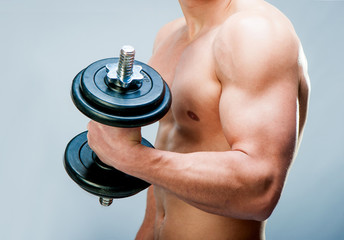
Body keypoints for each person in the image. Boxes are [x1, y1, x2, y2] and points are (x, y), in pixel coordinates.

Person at [86, 0, 310, 239]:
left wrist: (129, 157)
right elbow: (164, 175)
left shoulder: (254, 31)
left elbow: (259, 190)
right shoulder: (169, 36)